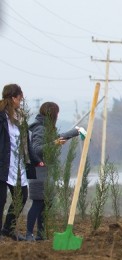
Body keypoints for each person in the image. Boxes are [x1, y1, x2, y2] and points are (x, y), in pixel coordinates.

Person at [25, 102, 82, 241]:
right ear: (53, 114)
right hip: (38, 170)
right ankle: (29, 234)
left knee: (45, 203)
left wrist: (75, 132)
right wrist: (55, 143)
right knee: (38, 203)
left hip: (44, 171)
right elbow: (36, 149)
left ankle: (41, 235)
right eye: (57, 113)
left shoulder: (45, 128)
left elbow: (55, 138)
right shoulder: (40, 129)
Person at [1, 84, 29, 241]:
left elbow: (24, 141)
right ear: (13, 98)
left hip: (17, 164)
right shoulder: (0, 115)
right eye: (20, 99)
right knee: (1, 199)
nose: (21, 102)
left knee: (22, 195)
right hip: (2, 163)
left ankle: (8, 229)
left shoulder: (20, 117)